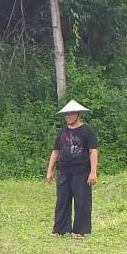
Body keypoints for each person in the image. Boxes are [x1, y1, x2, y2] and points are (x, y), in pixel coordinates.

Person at [46, 100, 99, 238]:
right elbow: (55, 152)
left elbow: (93, 151)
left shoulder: (87, 131)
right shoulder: (62, 132)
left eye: (70, 114)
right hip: (63, 170)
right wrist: (50, 170)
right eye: (66, 115)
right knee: (62, 200)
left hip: (81, 171)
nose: (68, 117)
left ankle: (80, 231)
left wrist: (93, 172)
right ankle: (60, 229)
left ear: (77, 114)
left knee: (82, 201)